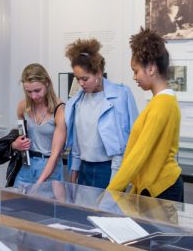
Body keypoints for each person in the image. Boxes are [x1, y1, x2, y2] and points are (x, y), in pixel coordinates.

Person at [106, 28, 184, 202]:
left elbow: (139, 153)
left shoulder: (162, 104)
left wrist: (110, 193)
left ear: (151, 69)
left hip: (162, 188)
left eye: (135, 71)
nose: (134, 77)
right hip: (156, 186)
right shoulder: (163, 101)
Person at [63, 38, 138, 189]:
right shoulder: (77, 101)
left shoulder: (120, 95)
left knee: (106, 212)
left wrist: (116, 179)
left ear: (98, 73)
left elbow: (128, 138)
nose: (81, 84)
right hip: (84, 168)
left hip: (108, 169)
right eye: (77, 79)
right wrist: (74, 169)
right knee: (83, 212)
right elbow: (78, 138)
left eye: (85, 78)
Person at [11, 63, 66, 185]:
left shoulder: (59, 110)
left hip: (50, 168)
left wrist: (38, 184)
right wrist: (16, 144)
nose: (34, 96)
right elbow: (20, 137)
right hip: (27, 166)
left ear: (47, 83)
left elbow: (55, 154)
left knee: (44, 203)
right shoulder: (22, 107)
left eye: (37, 90)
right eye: (29, 91)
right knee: (16, 203)